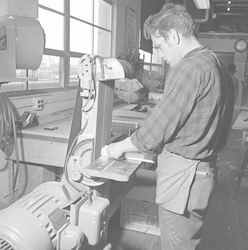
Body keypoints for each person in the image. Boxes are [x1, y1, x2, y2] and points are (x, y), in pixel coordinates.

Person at [106, 3, 234, 250]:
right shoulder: (216, 64)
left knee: (177, 245)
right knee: (188, 241)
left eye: (160, 46)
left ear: (174, 36)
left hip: (183, 178)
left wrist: (119, 148)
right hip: (203, 172)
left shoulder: (188, 67)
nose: (161, 54)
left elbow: (154, 132)